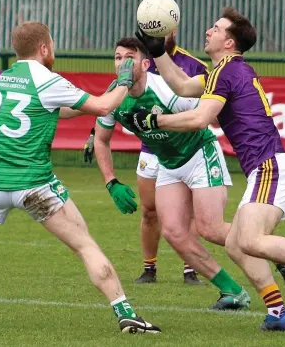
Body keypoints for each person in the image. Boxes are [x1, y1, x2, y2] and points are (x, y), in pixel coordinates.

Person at [0, 21, 161, 334]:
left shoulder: (7, 79)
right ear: (44, 48)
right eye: (51, 44)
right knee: (85, 245)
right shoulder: (47, 79)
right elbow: (104, 106)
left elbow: (56, 108)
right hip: (34, 185)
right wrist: (124, 79)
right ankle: (125, 312)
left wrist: (92, 102)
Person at [129, 6, 285, 331]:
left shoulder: (228, 70)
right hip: (265, 169)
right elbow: (180, 86)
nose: (209, 31)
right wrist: (159, 52)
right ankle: (279, 314)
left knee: (249, 240)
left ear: (230, 43)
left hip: (271, 167)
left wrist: (154, 120)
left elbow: (199, 118)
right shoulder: (224, 71)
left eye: (216, 28)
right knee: (237, 242)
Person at [94, 37, 251, 311]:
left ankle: (270, 250)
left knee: (210, 228)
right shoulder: (113, 97)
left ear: (145, 64)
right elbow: (101, 139)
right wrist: (111, 182)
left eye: (128, 57)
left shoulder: (166, 89)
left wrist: (161, 120)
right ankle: (233, 291)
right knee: (174, 232)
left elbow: (205, 119)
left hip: (199, 152)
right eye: (117, 57)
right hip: (168, 162)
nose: (121, 63)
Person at [134, 30, 209, 285]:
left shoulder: (194, 65)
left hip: (183, 148)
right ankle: (149, 268)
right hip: (151, 148)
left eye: (163, 30)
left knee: (187, 213)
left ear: (174, 31)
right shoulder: (141, 61)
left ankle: (191, 269)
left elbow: (203, 109)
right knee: (149, 211)